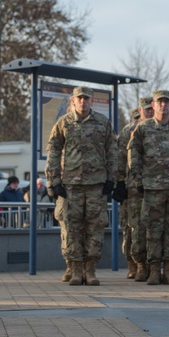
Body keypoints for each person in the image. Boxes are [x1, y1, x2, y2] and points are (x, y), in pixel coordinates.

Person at [46, 86, 116, 286]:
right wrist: (54, 181)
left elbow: (112, 151)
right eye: (79, 98)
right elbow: (53, 152)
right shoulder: (63, 123)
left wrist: (112, 179)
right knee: (71, 227)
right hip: (71, 186)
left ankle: (90, 269)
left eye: (86, 98)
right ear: (73, 101)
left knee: (95, 226)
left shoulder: (102, 123)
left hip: (96, 185)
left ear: (91, 101)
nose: (83, 101)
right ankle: (75, 269)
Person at [128, 89, 169, 286]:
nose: (163, 105)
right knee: (153, 231)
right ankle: (154, 270)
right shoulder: (143, 128)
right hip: (152, 189)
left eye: (166, 102)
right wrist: (138, 180)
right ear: (154, 105)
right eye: (159, 102)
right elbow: (133, 154)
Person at [114, 98, 152, 280]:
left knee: (152, 227)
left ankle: (151, 264)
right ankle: (135, 263)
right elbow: (120, 159)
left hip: (154, 187)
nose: (150, 112)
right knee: (132, 227)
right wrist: (119, 183)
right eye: (146, 109)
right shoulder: (129, 131)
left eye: (152, 109)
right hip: (132, 189)